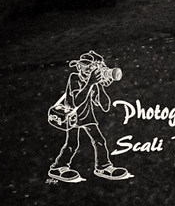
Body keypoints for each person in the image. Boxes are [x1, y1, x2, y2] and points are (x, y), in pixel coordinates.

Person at [46, 50, 131, 184]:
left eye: (92, 68)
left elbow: (105, 106)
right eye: (84, 67)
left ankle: (103, 167)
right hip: (72, 116)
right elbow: (76, 102)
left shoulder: (93, 83)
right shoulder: (74, 78)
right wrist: (91, 83)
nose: (84, 69)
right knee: (72, 144)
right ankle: (58, 167)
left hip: (87, 116)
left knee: (99, 140)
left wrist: (101, 85)